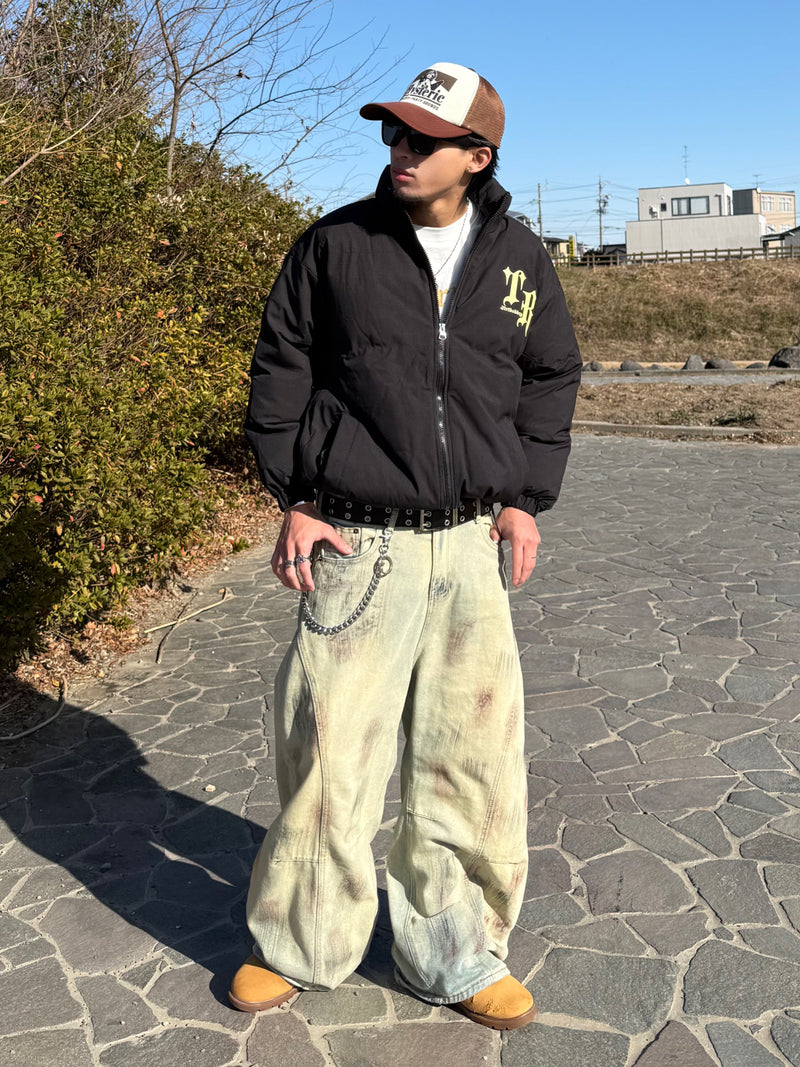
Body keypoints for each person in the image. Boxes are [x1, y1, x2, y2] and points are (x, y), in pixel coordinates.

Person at [230, 61, 581, 1030]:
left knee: (468, 756)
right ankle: (300, 940)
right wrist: (297, 496)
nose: (400, 150)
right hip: (359, 541)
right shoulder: (335, 245)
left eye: (422, 139)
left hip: (468, 545)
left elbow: (549, 374)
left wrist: (524, 498)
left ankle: (454, 948)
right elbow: (281, 368)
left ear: (477, 156)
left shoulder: (520, 260)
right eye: (392, 133)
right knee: (327, 748)